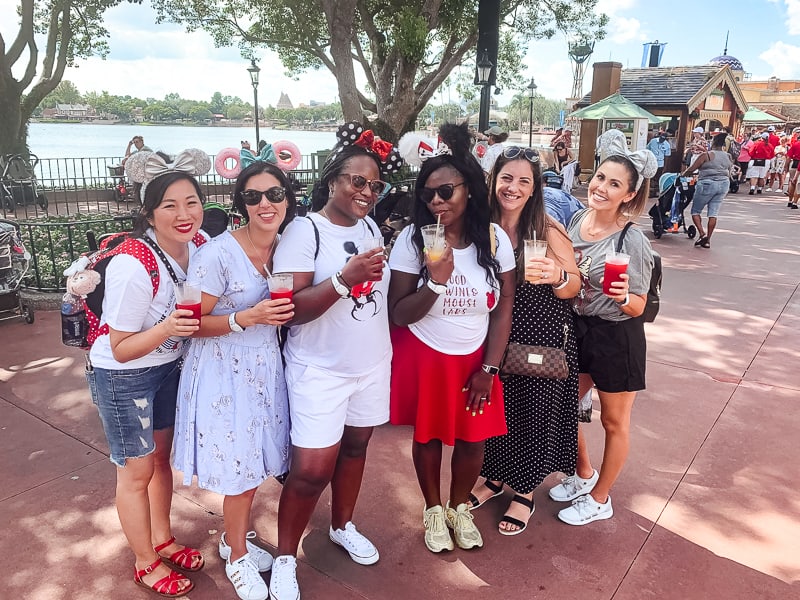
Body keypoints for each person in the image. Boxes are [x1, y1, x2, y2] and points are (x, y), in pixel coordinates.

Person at [269, 122, 402, 600]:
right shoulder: (304, 232)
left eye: (374, 185)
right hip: (319, 369)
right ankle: (285, 558)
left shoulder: (369, 226)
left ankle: (342, 525)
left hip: (370, 364)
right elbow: (289, 309)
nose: (366, 192)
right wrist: (344, 280)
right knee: (308, 471)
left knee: (355, 449)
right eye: (357, 181)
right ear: (332, 181)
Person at [86, 148, 211, 597]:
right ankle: (144, 561)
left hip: (167, 367)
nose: (184, 214)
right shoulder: (133, 265)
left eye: (191, 202)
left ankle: (162, 539)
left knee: (161, 462)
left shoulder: (197, 246)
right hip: (125, 377)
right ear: (149, 213)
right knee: (135, 473)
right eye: (169, 206)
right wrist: (167, 328)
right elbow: (119, 348)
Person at [173, 159, 296, 600]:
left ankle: (230, 538)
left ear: (287, 197)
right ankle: (239, 557)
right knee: (240, 474)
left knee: (259, 463)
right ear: (240, 203)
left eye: (274, 194)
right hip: (224, 371)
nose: (265, 203)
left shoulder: (287, 247)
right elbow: (191, 322)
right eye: (253, 196)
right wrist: (246, 317)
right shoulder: (217, 254)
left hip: (265, 367)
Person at [389, 122, 516, 552]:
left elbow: (502, 312)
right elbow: (399, 313)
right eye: (427, 194)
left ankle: (459, 507)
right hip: (426, 351)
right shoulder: (413, 239)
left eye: (446, 191)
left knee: (471, 438)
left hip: (475, 357)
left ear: (470, 190)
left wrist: (489, 369)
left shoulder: (495, 240)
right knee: (426, 436)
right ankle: (432, 510)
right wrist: (437, 284)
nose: (437, 201)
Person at [468, 146, 581, 536]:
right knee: (496, 411)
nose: (513, 187)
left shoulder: (547, 230)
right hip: (493, 334)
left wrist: (558, 277)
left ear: (534, 189)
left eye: (523, 181)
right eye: (506, 178)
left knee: (533, 414)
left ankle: (526, 492)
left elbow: (575, 287)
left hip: (541, 334)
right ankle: (494, 478)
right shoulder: (478, 226)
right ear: (493, 181)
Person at [548, 129, 656, 526]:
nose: (602, 188)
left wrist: (624, 295)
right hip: (576, 328)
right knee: (563, 406)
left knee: (614, 421)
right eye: (600, 178)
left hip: (616, 335)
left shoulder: (632, 239)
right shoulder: (576, 219)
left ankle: (600, 497)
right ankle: (583, 474)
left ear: (628, 194)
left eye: (615, 185)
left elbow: (639, 307)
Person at [681, 132, 732, 249]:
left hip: (707, 183)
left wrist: (683, 174)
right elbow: (729, 169)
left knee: (696, 210)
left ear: (713, 143)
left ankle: (702, 234)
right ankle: (708, 239)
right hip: (724, 184)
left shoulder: (706, 155)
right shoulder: (728, 156)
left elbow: (691, 168)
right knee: (713, 213)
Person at [646, 130, 671, 197]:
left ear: (665, 139)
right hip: (651, 162)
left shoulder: (667, 145)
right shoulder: (653, 141)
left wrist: (665, 167)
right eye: (661, 138)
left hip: (660, 163)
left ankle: (656, 192)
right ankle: (649, 192)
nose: (661, 140)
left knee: (658, 178)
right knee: (650, 177)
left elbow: (667, 156)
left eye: (663, 139)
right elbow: (647, 149)